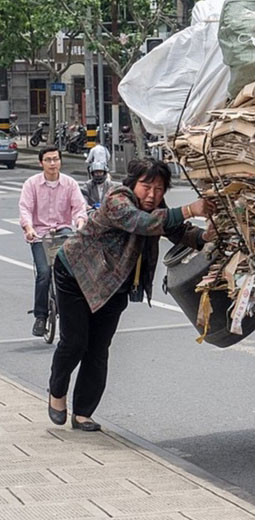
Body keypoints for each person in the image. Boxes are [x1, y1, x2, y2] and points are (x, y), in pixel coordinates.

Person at [47, 157, 217, 431]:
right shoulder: (118, 199)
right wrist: (189, 209)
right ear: (132, 183)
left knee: (99, 347)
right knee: (75, 342)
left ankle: (82, 413)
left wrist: (207, 236)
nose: (152, 194)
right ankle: (57, 392)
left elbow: (180, 232)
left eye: (159, 188)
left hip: (115, 284)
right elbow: (140, 222)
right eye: (146, 186)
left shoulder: (157, 211)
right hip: (76, 273)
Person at [18, 146, 87, 337]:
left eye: (55, 159)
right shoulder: (31, 184)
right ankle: (41, 316)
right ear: (41, 163)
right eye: (48, 160)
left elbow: (79, 208)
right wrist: (29, 229)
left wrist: (80, 224)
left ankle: (75, 311)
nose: (52, 163)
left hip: (63, 230)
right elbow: (25, 209)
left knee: (70, 273)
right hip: (39, 233)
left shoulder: (70, 183)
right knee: (43, 273)